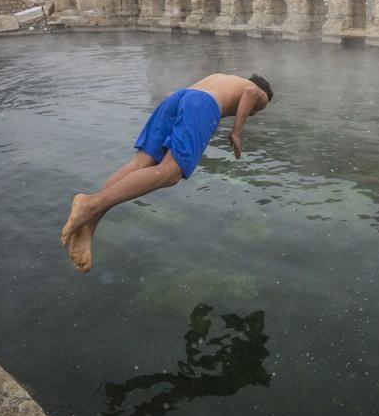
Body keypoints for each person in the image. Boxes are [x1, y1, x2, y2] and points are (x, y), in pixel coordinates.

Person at [61, 73, 273, 272]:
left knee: (139, 164)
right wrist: (236, 132)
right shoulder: (259, 94)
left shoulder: (220, 78)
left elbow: (176, 94)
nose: (253, 112)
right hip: (201, 105)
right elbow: (251, 92)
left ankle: (88, 224)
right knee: (171, 172)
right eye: (256, 111)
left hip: (177, 99)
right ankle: (90, 204)